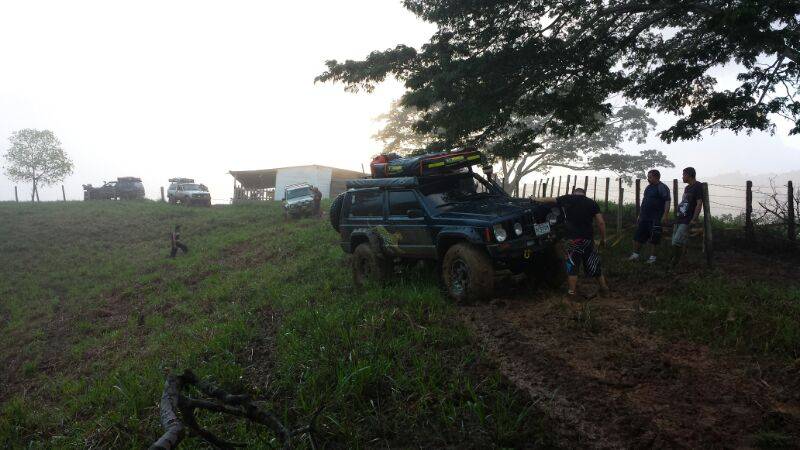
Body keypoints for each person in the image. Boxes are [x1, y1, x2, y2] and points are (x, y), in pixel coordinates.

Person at [534, 187, 610, 298]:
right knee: (594, 264)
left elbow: (550, 199)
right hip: (588, 240)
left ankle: (571, 292)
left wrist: (535, 198)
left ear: (574, 193)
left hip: (572, 240)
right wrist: (603, 239)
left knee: (572, 265)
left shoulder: (568, 198)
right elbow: (601, 223)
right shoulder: (592, 203)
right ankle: (604, 289)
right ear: (584, 194)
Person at [628, 170, 671, 264]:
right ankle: (635, 255)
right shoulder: (648, 187)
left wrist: (665, 215)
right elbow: (644, 201)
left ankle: (652, 258)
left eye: (650, 177)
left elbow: (667, 201)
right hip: (644, 217)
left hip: (656, 218)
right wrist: (640, 214)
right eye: (648, 177)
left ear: (656, 177)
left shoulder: (662, 187)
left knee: (654, 239)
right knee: (638, 236)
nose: (648, 179)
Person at [671, 167, 704, 266]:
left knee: (677, 241)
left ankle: (675, 261)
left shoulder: (698, 186)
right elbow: (684, 202)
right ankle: (682, 261)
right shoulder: (687, 188)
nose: (682, 177)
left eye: (683, 175)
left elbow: (699, 203)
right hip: (680, 217)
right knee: (677, 241)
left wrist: (694, 219)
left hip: (688, 219)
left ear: (689, 175)